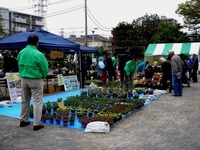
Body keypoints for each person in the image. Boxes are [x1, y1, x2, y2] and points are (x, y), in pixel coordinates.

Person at [17, 34, 48, 131]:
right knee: (37, 101)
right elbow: (44, 69)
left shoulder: (21, 52)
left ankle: (23, 120)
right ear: (36, 42)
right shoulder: (39, 54)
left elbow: (19, 64)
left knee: (25, 100)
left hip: (24, 79)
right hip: (35, 79)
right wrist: (43, 76)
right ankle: (37, 124)